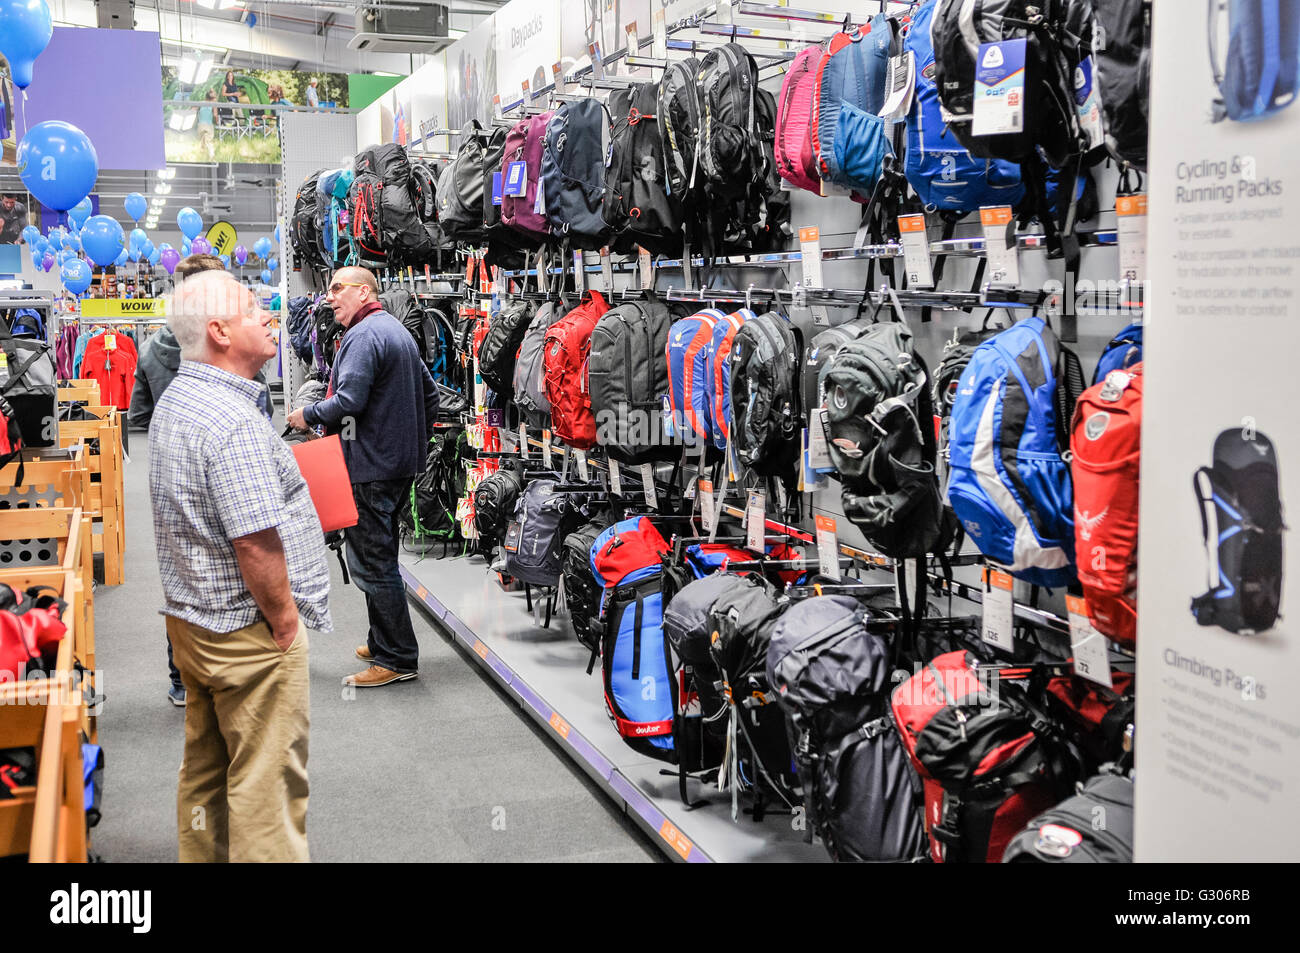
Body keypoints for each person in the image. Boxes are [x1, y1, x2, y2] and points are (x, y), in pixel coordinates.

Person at [149, 270, 329, 863]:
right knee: (266, 787)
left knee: (205, 772)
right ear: (221, 331)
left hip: (193, 623)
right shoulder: (232, 422)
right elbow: (254, 542)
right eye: (256, 311)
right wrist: (284, 623)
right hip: (247, 635)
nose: (271, 318)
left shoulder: (180, 398)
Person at [131, 253, 273, 707]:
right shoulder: (231, 346)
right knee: (242, 564)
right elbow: (259, 407)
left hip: (176, 477)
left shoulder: (153, 347)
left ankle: (184, 678)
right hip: (237, 469)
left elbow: (139, 414)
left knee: (184, 571)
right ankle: (243, 670)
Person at [286, 267, 438, 687]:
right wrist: (409, 441)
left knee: (373, 564)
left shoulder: (362, 336)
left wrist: (307, 415)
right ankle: (381, 638)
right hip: (394, 464)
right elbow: (429, 395)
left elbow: (349, 400)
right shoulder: (392, 329)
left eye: (338, 289)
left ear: (364, 291)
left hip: (370, 467)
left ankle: (396, 657)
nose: (330, 298)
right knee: (381, 555)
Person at [196, 90, 217, 161]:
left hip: (200, 125)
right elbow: (215, 115)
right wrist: (217, 121)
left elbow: (193, 109)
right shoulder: (213, 105)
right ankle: (212, 155)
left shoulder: (200, 103)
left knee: (203, 140)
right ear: (213, 99)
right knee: (209, 141)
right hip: (208, 125)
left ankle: (201, 155)